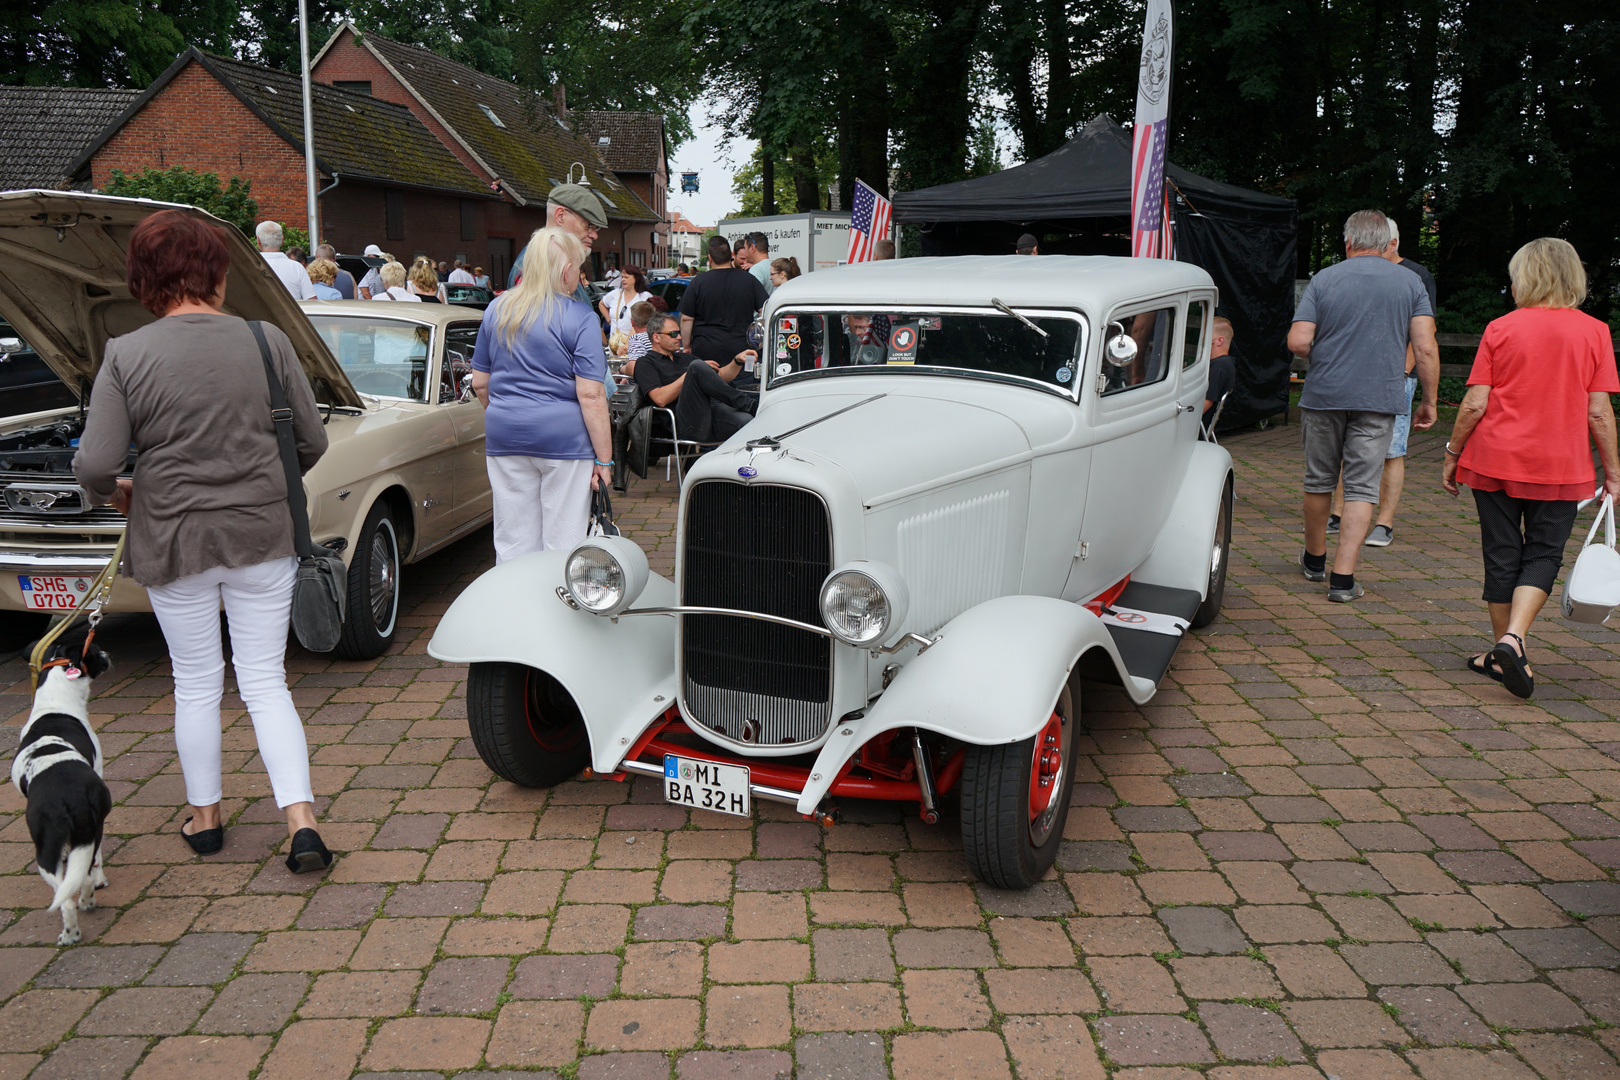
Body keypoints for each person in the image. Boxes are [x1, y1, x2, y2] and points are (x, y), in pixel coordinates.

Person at [73, 209, 334, 872]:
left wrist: (123, 492)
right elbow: (312, 442)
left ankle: (207, 818)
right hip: (263, 534)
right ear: (216, 276)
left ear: (144, 282)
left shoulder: (127, 354)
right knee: (266, 681)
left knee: (195, 682)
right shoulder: (267, 340)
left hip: (175, 537)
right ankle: (301, 820)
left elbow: (97, 465)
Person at [1440, 238, 1620, 699]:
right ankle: (1512, 642)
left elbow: (1476, 401)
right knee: (1543, 554)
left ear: (1528, 277)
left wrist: (1452, 451)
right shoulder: (1595, 331)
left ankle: (1505, 649)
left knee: (1501, 552)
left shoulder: (1501, 327)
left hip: (1494, 460)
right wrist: (1614, 474)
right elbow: (1598, 412)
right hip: (1561, 467)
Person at [1287, 209, 1438, 602]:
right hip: (1379, 398)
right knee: (1361, 487)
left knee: (1319, 479)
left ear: (1349, 242)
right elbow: (1424, 346)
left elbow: (1298, 341)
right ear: (1388, 242)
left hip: (1325, 395)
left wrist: (1331, 356)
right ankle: (1343, 579)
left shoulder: (1325, 278)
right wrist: (1430, 400)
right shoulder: (1411, 282)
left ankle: (1314, 560)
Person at [470, 226, 612, 562]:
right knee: (564, 537)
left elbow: (480, 383)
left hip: (505, 436)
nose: (581, 277)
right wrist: (604, 460)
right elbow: (591, 395)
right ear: (566, 272)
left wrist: (505, 410)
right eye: (579, 269)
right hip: (565, 440)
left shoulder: (497, 309)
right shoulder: (581, 317)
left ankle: (516, 609)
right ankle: (560, 607)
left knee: (513, 537)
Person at [1327, 218, 1441, 547]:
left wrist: (1403, 375)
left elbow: (1423, 334)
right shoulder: (1360, 272)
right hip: (1356, 372)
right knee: (1350, 445)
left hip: (1395, 376)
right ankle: (1338, 512)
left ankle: (1384, 523)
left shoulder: (1416, 276)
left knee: (1392, 450)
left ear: (1392, 244)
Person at [635, 311, 759, 443]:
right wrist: (689, 374)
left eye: (679, 333)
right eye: (673, 334)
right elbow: (660, 399)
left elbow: (720, 378)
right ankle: (751, 405)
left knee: (748, 422)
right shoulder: (645, 363)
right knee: (696, 367)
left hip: (711, 413)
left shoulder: (685, 358)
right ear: (656, 338)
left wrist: (737, 361)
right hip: (685, 425)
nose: (679, 337)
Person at [508, 184, 607, 304]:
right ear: (560, 216)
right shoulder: (538, 267)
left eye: (596, 229)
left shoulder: (543, 261)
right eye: (589, 225)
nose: (594, 235)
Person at [680, 236, 768, 365]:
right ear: (731, 255)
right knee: (741, 384)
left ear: (710, 258)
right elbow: (765, 311)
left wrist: (686, 346)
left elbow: (686, 318)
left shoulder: (698, 282)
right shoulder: (749, 280)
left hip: (706, 351)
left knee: (707, 383)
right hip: (742, 350)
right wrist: (756, 338)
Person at [256, 221, 315, 300]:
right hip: (291, 312)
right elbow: (311, 301)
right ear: (282, 240)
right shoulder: (297, 268)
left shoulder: (247, 267)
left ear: (258, 241)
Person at [601, 265, 651, 337]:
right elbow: (601, 304)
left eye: (626, 277)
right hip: (615, 344)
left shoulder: (645, 297)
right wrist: (609, 321)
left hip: (635, 344)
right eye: (622, 277)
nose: (623, 280)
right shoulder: (615, 294)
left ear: (636, 278)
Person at [1204, 316, 1236, 424]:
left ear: (1219, 340)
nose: (1202, 341)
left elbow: (1207, 401)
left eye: (1205, 337)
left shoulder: (1220, 365)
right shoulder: (1224, 363)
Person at [624, 300, 655, 365]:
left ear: (632, 322)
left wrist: (621, 369)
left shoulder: (636, 339)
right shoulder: (662, 335)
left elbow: (634, 367)